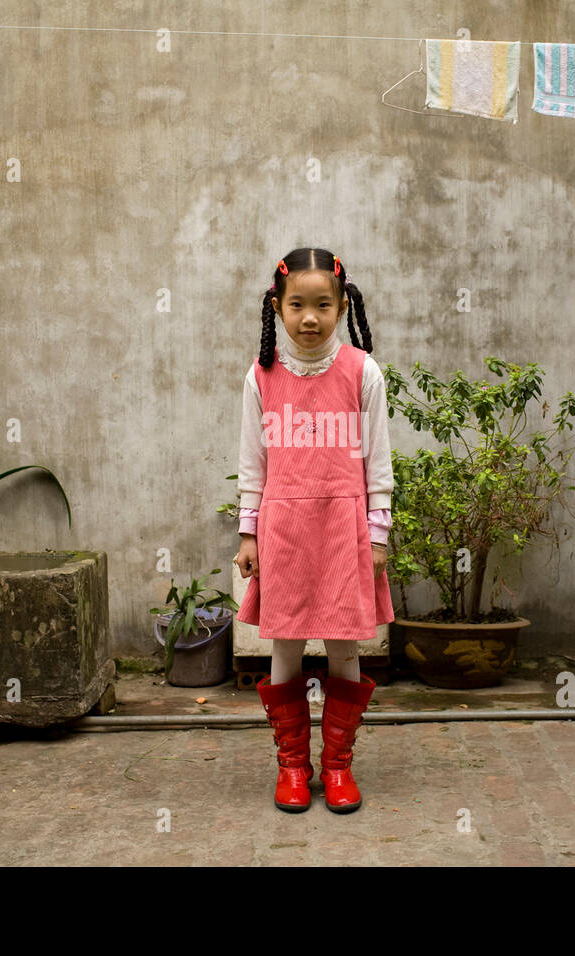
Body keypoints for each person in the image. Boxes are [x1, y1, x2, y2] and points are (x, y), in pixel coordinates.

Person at [233, 247, 394, 814]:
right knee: (286, 645)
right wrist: (248, 532)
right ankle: (294, 768)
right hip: (284, 527)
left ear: (342, 305)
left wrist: (378, 532)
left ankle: (338, 767)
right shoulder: (261, 375)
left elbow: (378, 458)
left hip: (344, 526)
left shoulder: (362, 370)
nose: (309, 317)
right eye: (296, 304)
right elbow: (253, 461)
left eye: (323, 305)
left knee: (346, 644)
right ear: (276, 307)